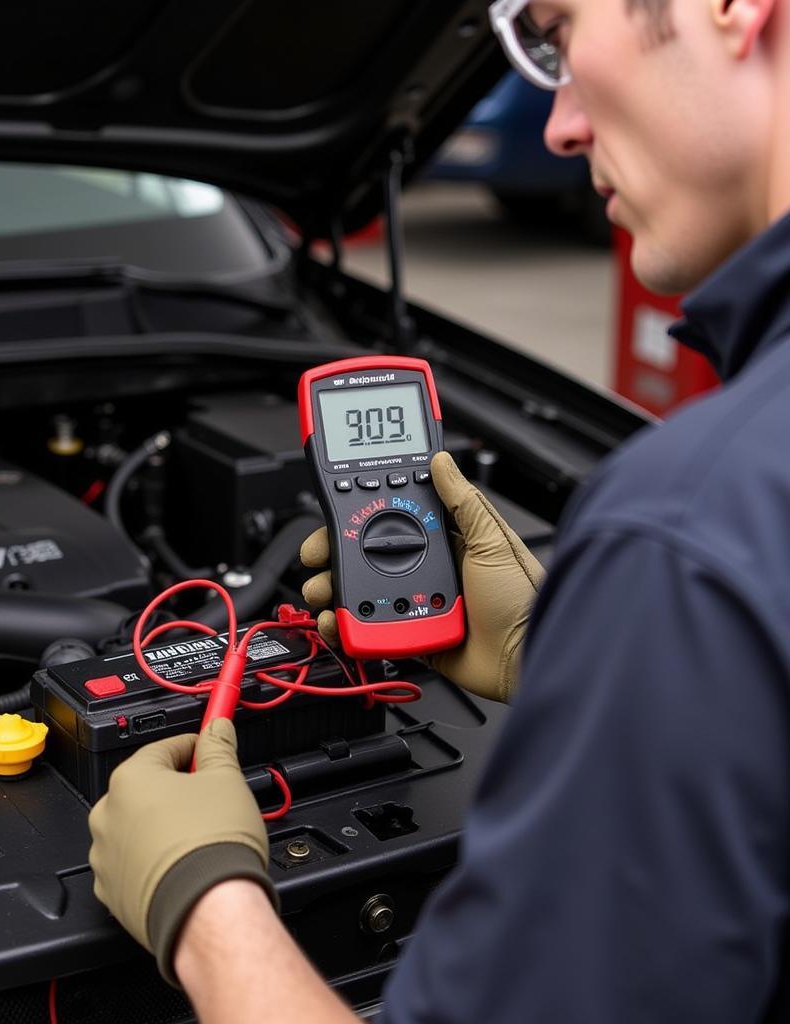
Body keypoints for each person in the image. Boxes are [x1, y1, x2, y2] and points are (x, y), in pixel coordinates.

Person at [88, 0, 790, 1019]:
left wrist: (201, 902)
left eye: (555, 31)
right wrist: (569, 651)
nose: (557, 125)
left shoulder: (684, 531)